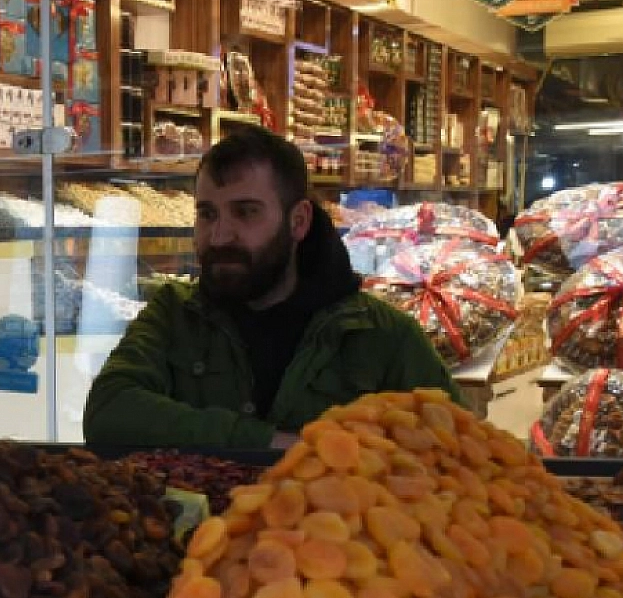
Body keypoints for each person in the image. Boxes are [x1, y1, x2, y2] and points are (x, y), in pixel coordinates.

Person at [84, 128, 461, 449]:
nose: (220, 235)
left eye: (246, 212)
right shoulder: (175, 315)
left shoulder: (384, 338)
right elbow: (108, 411)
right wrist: (272, 443)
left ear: (298, 222)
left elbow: (460, 451)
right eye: (207, 214)